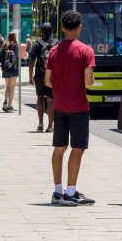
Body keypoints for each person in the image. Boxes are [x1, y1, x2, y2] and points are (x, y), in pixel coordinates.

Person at [45, 10, 96, 206]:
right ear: (80, 27)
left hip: (60, 106)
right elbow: (88, 81)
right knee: (78, 147)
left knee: (59, 148)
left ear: (63, 28)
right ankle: (71, 191)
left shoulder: (54, 51)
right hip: (79, 106)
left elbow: (48, 81)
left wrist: (61, 86)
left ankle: (58, 192)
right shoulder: (86, 51)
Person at [28, 23, 57, 132]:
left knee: (40, 98)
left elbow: (31, 60)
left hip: (40, 74)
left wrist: (30, 75)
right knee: (51, 100)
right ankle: (50, 126)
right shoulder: (56, 43)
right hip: (52, 75)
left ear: (41, 32)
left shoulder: (37, 44)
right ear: (52, 31)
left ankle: (40, 124)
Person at [0, 32, 20, 112]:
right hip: (13, 69)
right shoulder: (15, 45)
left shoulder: (4, 45)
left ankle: (5, 101)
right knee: (12, 88)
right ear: (15, 37)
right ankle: (9, 106)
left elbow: (0, 59)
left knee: (7, 87)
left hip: (6, 69)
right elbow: (17, 57)